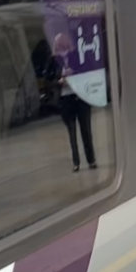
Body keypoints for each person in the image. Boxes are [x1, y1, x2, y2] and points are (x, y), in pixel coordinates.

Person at [52, 32, 97, 172]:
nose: (62, 47)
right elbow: (49, 79)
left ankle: (91, 160)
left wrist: (75, 75)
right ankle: (76, 162)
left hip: (81, 98)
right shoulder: (54, 60)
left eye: (64, 43)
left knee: (86, 131)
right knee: (72, 134)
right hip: (66, 101)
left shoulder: (78, 56)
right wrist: (60, 81)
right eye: (59, 45)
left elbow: (87, 70)